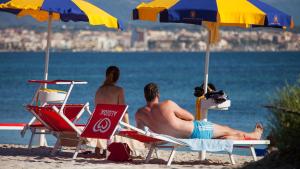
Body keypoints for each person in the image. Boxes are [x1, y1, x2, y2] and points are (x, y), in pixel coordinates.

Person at [135, 82, 263, 140]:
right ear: (158, 94)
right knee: (226, 128)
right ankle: (253, 135)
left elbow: (141, 133)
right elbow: (190, 117)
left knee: (222, 134)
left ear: (145, 95)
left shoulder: (139, 114)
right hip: (196, 130)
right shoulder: (167, 104)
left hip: (176, 137)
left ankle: (235, 138)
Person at [93, 65, 130, 157]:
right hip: (111, 127)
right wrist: (129, 128)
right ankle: (108, 148)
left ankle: (98, 148)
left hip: (97, 126)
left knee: (107, 122)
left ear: (106, 75)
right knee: (121, 128)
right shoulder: (119, 90)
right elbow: (123, 111)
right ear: (117, 77)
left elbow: (97, 111)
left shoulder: (99, 90)